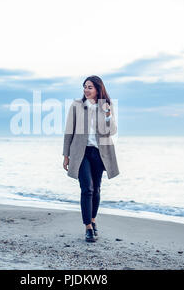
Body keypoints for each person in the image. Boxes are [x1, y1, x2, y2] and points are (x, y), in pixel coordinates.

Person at [63, 75, 119, 242]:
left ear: (98, 89)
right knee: (87, 188)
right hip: (81, 153)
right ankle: (88, 227)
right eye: (85, 87)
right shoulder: (77, 106)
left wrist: (108, 113)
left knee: (96, 189)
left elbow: (112, 131)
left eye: (90, 87)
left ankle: (93, 221)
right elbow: (68, 132)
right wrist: (66, 155)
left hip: (99, 153)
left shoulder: (107, 106)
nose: (86, 90)